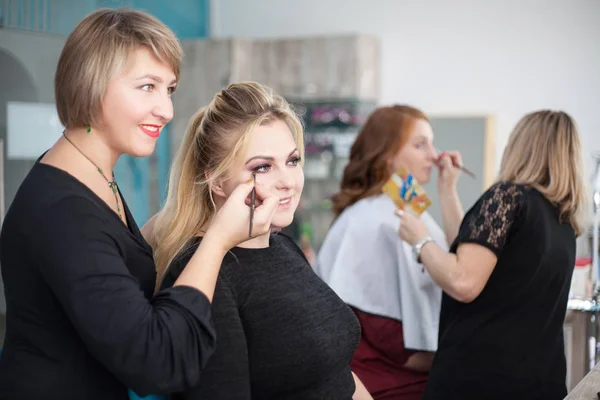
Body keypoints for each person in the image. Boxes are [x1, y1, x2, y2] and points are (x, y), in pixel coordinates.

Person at [0, 9, 278, 400]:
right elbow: (158, 362)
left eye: (170, 89)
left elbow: (109, 256)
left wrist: (182, 218)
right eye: (147, 87)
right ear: (91, 85)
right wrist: (217, 239)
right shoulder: (64, 212)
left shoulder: (87, 171)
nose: (166, 110)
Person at [147, 81, 373, 400]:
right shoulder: (206, 275)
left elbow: (337, 372)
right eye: (263, 167)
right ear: (216, 180)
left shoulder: (282, 246)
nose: (288, 182)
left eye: (292, 161)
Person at [397, 110, 588, 399]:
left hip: (481, 381)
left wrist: (420, 240)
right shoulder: (563, 221)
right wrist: (447, 188)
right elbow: (473, 251)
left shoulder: (508, 197)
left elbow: (463, 280)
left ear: (522, 147)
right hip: (537, 384)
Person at [316, 105, 464, 399]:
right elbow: (387, 337)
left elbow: (461, 262)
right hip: (385, 386)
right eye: (420, 144)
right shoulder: (369, 220)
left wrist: (448, 189)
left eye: (432, 144)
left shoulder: (412, 209)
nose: (434, 155)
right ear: (388, 155)